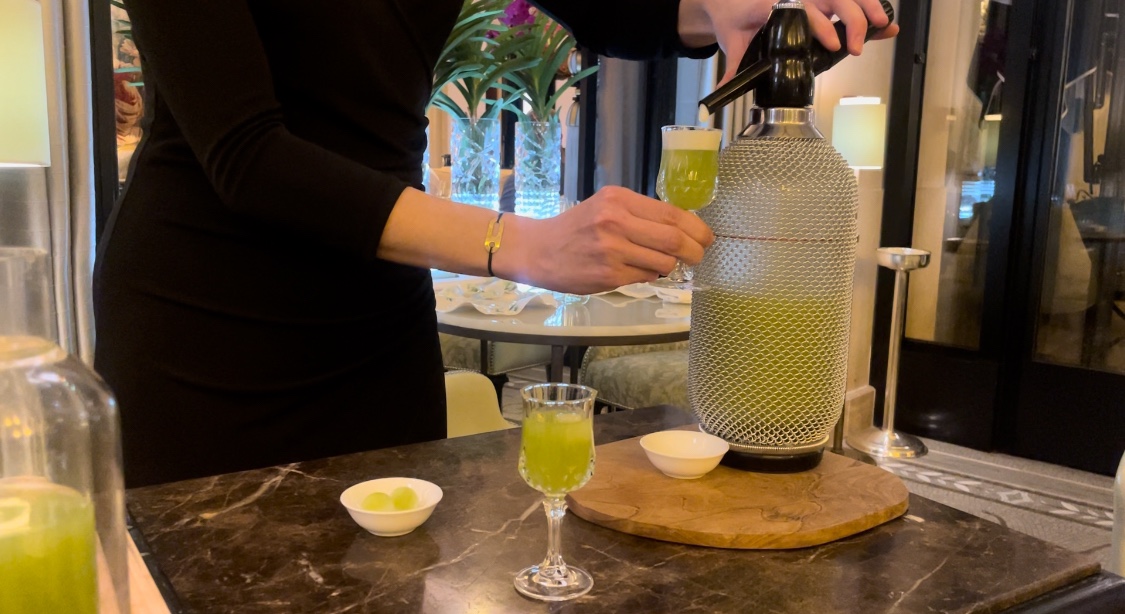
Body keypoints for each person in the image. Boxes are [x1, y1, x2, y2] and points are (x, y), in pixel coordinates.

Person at [94, 0, 896, 487]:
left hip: (374, 323)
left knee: (388, 578)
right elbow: (246, 156)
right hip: (207, 327)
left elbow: (615, 6)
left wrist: (724, 10)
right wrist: (523, 246)